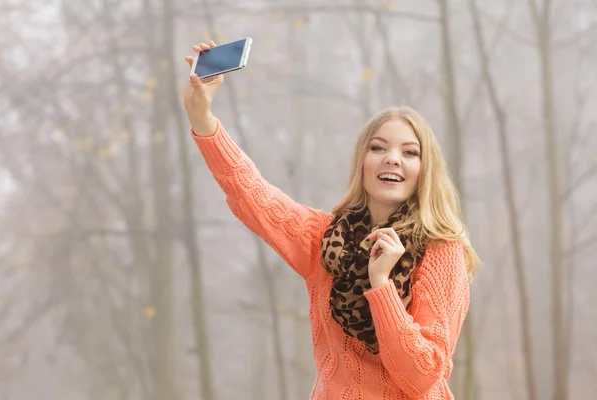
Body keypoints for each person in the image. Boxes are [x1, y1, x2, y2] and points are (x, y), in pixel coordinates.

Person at [183, 41, 480, 400]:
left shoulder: (442, 251)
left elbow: (422, 377)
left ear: (424, 169)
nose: (393, 159)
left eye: (410, 152)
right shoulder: (323, 238)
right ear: (362, 162)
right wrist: (202, 118)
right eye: (378, 147)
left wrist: (381, 283)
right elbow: (253, 194)